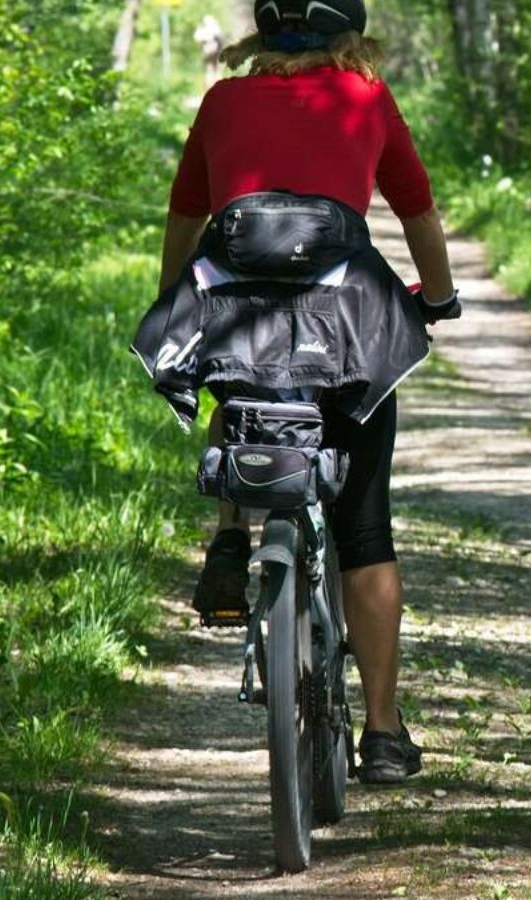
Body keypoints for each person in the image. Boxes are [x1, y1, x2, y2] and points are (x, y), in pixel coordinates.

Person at [156, 0, 459, 784]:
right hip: (347, 334)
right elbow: (416, 210)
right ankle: (385, 733)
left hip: (240, 327)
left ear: (262, 31)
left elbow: (186, 216)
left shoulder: (223, 100)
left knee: (239, 390)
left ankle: (231, 533)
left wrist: (174, 300)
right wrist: (439, 298)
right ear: (347, 34)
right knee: (366, 530)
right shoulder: (364, 96)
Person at [193, 15, 226, 85]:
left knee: (213, 70)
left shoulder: (212, 28)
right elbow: (196, 38)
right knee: (211, 70)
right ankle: (213, 87)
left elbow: (220, 40)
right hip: (211, 52)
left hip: (214, 52)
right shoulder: (209, 29)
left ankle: (216, 87)